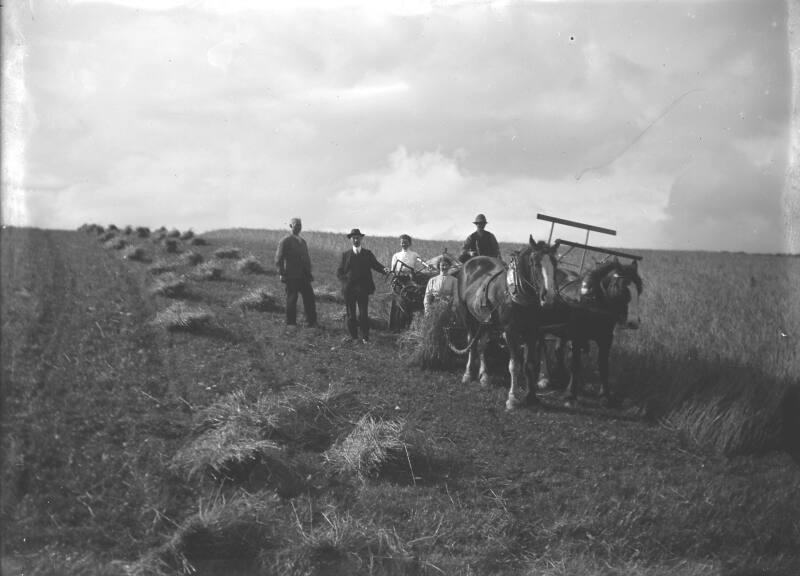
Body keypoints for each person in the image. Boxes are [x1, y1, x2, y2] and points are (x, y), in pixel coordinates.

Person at [336, 228, 390, 343]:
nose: (356, 240)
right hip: (349, 290)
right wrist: (345, 282)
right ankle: (354, 337)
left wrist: (385, 270)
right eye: (354, 238)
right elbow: (339, 272)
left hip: (363, 289)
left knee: (363, 314)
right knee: (351, 314)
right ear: (351, 239)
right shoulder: (346, 255)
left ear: (361, 239)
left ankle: (365, 337)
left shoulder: (367, 254)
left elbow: (376, 265)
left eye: (358, 238)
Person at [274, 217, 317, 327]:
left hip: (304, 276)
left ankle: (311, 322)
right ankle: (291, 323)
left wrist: (309, 272)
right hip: (291, 275)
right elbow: (279, 258)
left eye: (300, 225)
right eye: (296, 225)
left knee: (310, 298)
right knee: (292, 299)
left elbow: (306, 259)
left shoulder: (303, 242)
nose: (298, 227)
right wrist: (281, 273)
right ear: (290, 226)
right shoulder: (285, 241)